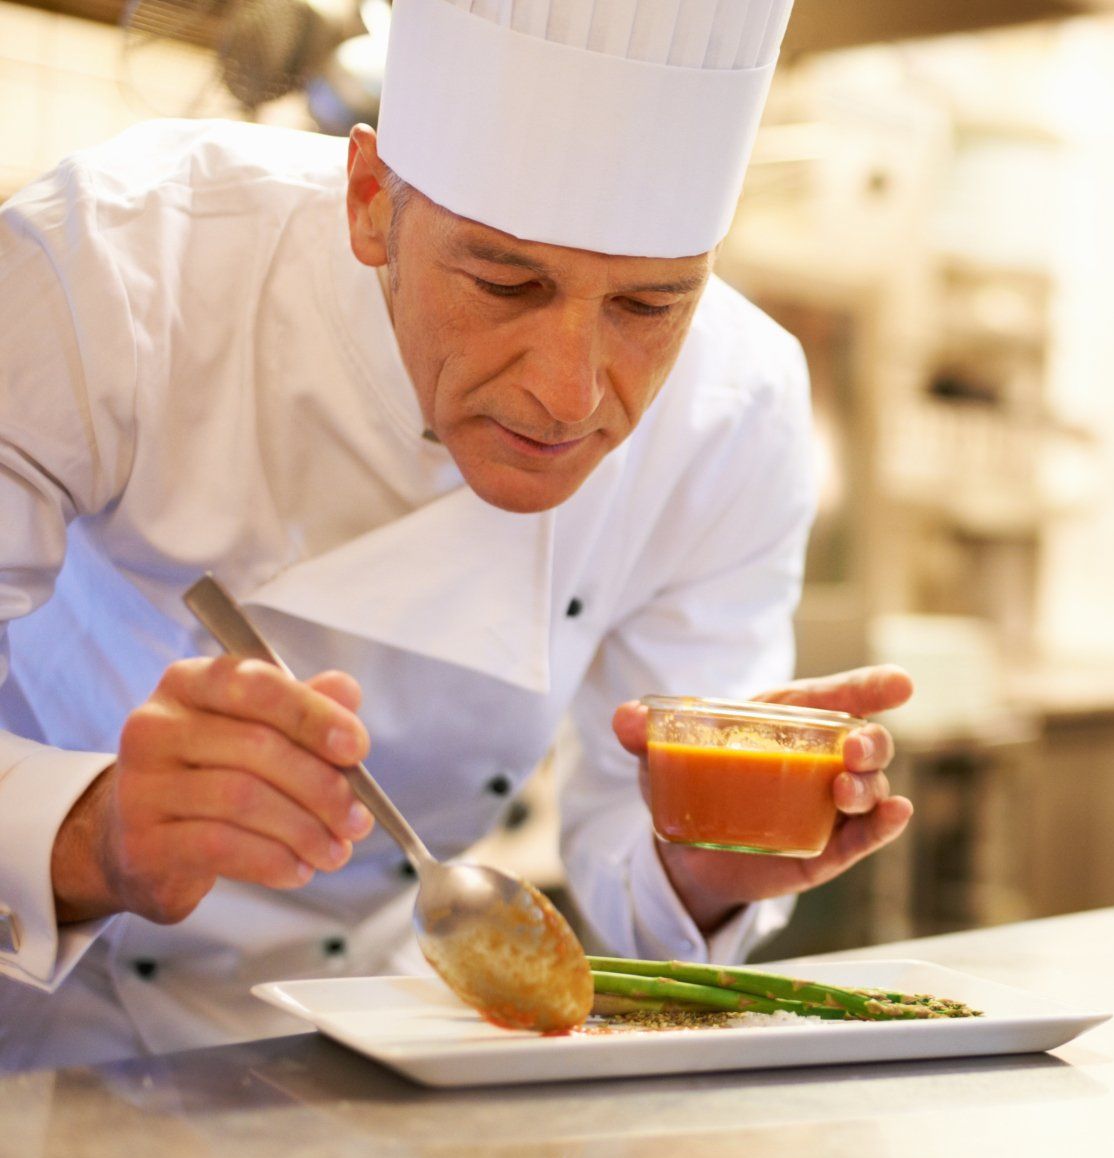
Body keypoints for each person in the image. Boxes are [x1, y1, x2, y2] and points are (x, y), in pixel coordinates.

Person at [0, 0, 913, 1071]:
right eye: (506, 283)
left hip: (382, 1053)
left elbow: (637, 866)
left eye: (649, 306)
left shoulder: (737, 406)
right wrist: (84, 832)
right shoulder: (118, 261)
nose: (570, 394)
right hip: (36, 1050)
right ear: (372, 200)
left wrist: (705, 864)